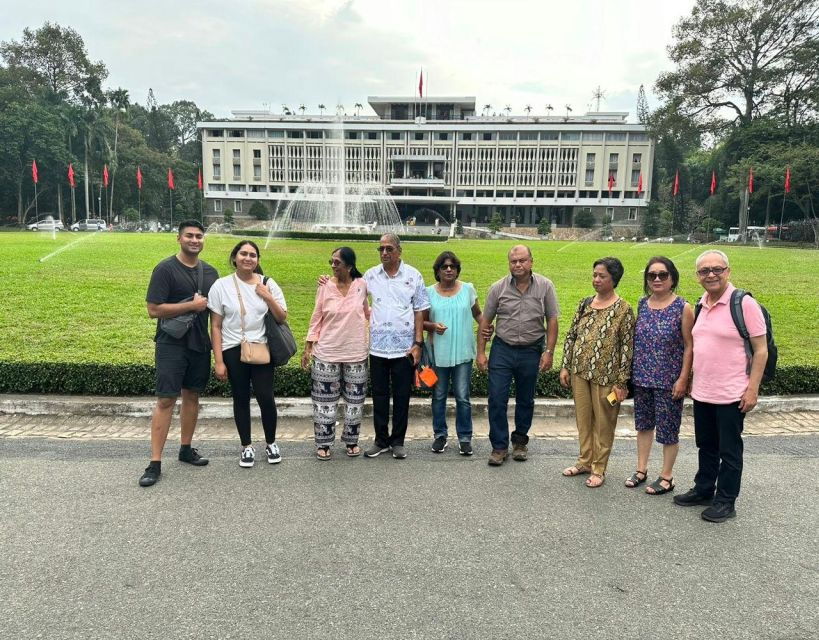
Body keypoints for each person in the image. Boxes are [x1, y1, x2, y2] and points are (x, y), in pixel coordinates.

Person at [673, 250, 767, 522]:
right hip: (703, 392)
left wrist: (752, 389)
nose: (711, 275)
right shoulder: (701, 304)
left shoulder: (744, 304)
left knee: (729, 450)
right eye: (704, 271)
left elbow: (761, 351)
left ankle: (726, 500)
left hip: (732, 394)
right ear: (697, 276)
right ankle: (704, 489)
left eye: (717, 269)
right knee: (707, 445)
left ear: (728, 271)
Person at [139, 220, 219, 487]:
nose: (194, 240)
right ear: (179, 238)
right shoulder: (165, 269)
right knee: (165, 400)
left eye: (199, 236)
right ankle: (154, 462)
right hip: (171, 344)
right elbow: (154, 310)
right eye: (189, 236)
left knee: (192, 395)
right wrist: (191, 306)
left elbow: (216, 314)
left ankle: (185, 448)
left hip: (199, 344)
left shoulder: (211, 273)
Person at [207, 240, 287, 468]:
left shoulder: (268, 283)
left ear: (258, 260)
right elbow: (215, 326)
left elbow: (282, 317)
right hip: (232, 349)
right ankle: (246, 447)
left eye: (253, 255)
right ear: (234, 258)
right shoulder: (220, 286)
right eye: (243, 254)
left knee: (266, 397)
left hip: (261, 347)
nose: (248, 258)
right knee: (240, 398)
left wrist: (267, 296)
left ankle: (271, 443)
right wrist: (219, 361)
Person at [477, 245, 559, 466]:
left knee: (525, 399)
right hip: (502, 349)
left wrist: (548, 352)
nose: (518, 265)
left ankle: (520, 442)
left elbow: (552, 320)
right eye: (513, 261)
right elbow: (486, 320)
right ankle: (499, 447)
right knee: (496, 398)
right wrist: (481, 352)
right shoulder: (498, 288)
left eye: (522, 260)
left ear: (531, 261)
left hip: (531, 350)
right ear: (509, 264)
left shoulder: (545, 287)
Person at [560, 257, 634, 488]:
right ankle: (584, 461)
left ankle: (599, 468)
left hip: (607, 377)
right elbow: (571, 335)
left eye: (602, 276)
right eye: (594, 275)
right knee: (583, 420)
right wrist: (565, 365)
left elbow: (627, 347)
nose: (596, 280)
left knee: (604, 424)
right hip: (580, 372)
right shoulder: (585, 303)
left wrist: (622, 382)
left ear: (614, 279)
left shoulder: (623, 309)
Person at [626, 256, 693, 495]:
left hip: (669, 380)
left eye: (662, 275)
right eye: (651, 275)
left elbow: (689, 346)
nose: (657, 279)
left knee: (668, 430)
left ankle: (666, 476)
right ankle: (641, 470)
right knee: (643, 426)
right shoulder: (642, 304)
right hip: (642, 377)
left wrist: (684, 378)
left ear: (672, 278)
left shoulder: (683, 307)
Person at [363, 234, 429, 459]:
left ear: (399, 251)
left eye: (389, 249)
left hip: (404, 348)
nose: (384, 253)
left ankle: (398, 441)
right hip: (378, 348)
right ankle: (381, 440)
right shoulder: (370, 276)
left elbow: (420, 310)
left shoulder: (413, 276)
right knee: (379, 395)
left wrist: (418, 343)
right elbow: (353, 295)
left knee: (402, 396)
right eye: (381, 249)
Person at [302, 247, 369, 460]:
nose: (332, 266)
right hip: (327, 352)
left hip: (356, 352)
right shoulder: (325, 286)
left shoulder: (361, 286)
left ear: (349, 266)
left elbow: (368, 313)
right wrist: (308, 346)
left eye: (337, 262)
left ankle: (351, 440)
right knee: (324, 402)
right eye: (331, 262)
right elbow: (316, 316)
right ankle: (323, 443)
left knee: (355, 402)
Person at [422, 251, 483, 456]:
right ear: (437, 271)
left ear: (457, 270)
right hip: (438, 354)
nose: (449, 269)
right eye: (444, 266)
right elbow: (420, 321)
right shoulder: (428, 292)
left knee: (463, 397)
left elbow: (479, 315)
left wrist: (486, 328)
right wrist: (432, 325)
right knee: (438, 396)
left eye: (452, 266)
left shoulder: (468, 290)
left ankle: (465, 438)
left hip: (463, 353)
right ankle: (440, 436)